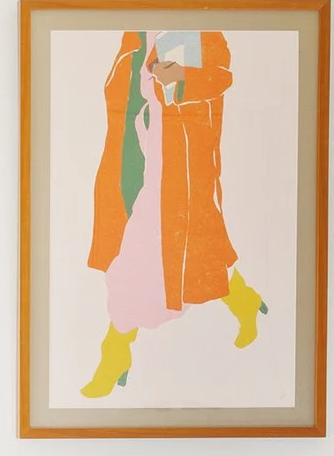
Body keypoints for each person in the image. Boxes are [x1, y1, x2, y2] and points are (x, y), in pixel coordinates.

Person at [83, 29, 266, 398]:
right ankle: (244, 299)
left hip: (178, 166)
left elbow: (220, 76)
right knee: (180, 257)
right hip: (134, 159)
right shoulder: (135, 32)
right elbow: (119, 89)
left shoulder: (200, 29)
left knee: (145, 260)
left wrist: (176, 75)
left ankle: (114, 356)